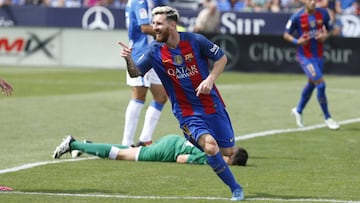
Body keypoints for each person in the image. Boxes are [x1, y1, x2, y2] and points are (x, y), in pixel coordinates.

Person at [119, 6, 245, 201]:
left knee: (228, 151)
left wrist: (210, 79)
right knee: (211, 147)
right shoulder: (154, 51)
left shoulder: (195, 40)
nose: (155, 28)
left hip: (212, 105)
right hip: (187, 112)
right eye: (153, 24)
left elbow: (221, 58)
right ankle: (236, 188)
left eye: (159, 24)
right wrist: (128, 59)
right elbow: (136, 72)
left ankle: (196, 145)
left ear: (172, 25)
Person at [283, 0, 340, 130]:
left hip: (318, 56)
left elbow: (332, 30)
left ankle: (298, 110)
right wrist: (297, 41)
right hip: (305, 57)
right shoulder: (297, 17)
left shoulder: (323, 14)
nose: (313, 2)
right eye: (310, 0)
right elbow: (286, 34)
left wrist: (326, 35)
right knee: (321, 83)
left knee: (311, 83)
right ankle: (328, 117)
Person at [122, 0, 168, 147]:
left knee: (161, 96)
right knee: (139, 95)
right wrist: (169, 31)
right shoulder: (139, 1)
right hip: (141, 52)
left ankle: (144, 139)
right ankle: (127, 143)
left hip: (153, 51)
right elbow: (144, 27)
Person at [52, 134, 249, 166]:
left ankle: (87, 144)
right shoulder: (211, 158)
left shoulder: (216, 144)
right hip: (168, 151)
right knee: (122, 155)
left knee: (128, 149)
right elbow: (181, 159)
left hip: (173, 140)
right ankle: (73, 144)